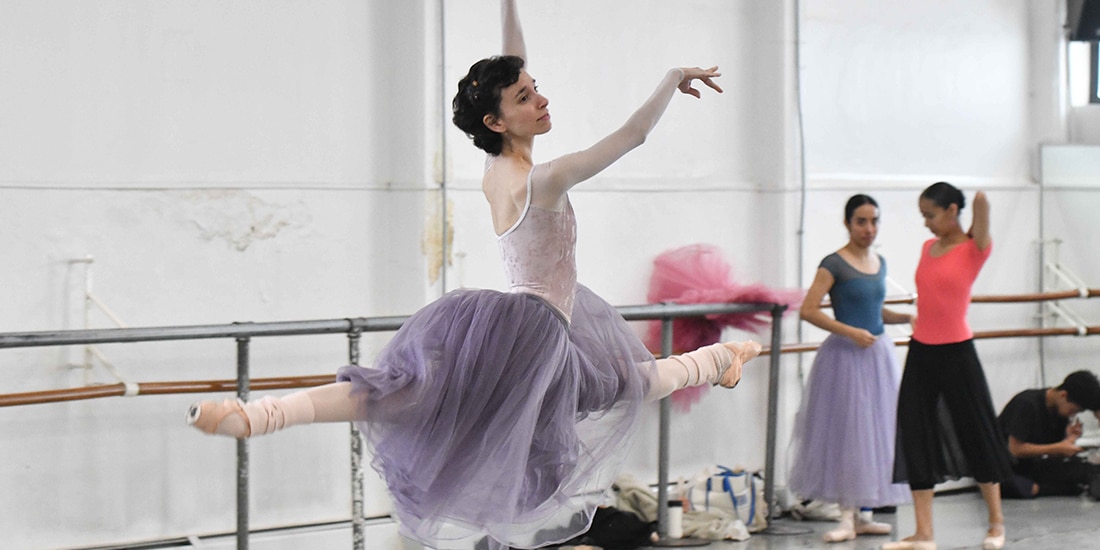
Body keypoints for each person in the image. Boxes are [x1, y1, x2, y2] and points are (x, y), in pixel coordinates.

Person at [186, 2, 762, 549]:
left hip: (546, 322)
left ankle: (718, 361)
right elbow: (632, 136)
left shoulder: (498, 163)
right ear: (496, 119)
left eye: (535, 89)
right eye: (524, 97)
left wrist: (509, 8)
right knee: (416, 394)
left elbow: (511, 54)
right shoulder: (543, 180)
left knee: (614, 384)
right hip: (533, 328)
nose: (540, 100)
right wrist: (671, 77)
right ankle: (256, 415)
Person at [885, 182, 1013, 550]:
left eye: (930, 214)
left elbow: (983, 203)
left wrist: (975, 197)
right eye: (923, 215)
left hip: (958, 352)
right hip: (922, 351)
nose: (925, 223)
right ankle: (924, 533)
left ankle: (996, 523)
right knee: (915, 430)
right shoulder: (928, 248)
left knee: (976, 430)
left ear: (952, 211)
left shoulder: (976, 248)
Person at [788, 194, 911, 543]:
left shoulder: (879, 262)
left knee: (876, 431)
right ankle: (845, 514)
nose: (869, 229)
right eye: (861, 221)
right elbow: (809, 309)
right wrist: (850, 332)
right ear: (847, 223)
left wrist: (906, 317)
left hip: (876, 356)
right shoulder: (834, 264)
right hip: (845, 358)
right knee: (847, 432)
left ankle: (864, 513)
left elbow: (876, 310)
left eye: (874, 221)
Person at [997, 370, 1100, 499]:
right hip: (1003, 468)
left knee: (1084, 469)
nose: (1073, 415)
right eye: (1073, 410)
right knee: (1024, 487)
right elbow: (1015, 449)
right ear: (1063, 395)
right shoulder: (1027, 403)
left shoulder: (1059, 412)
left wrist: (1069, 440)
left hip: (1031, 467)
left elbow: (1051, 454)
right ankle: (1064, 489)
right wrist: (1059, 447)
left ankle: (1074, 487)